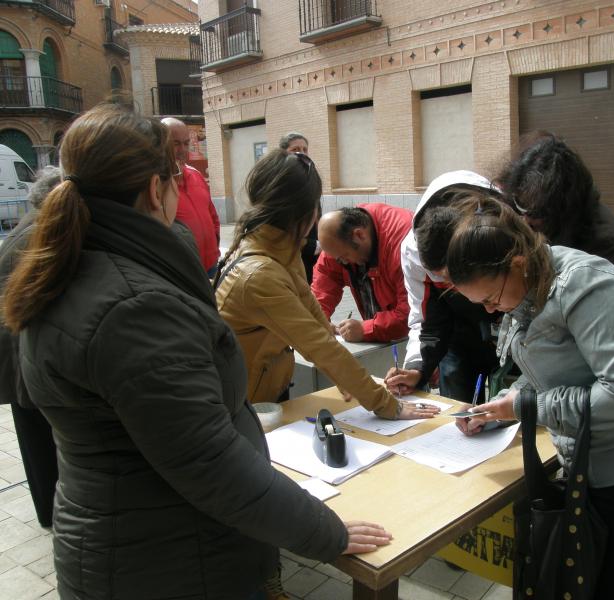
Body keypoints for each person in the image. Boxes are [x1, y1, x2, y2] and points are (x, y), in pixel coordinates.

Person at [1, 104, 392, 600]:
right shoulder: (134, 307)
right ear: (155, 190)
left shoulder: (77, 265)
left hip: (133, 542)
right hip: (167, 561)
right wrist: (326, 533)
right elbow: (210, 463)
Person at [449, 195, 614, 600]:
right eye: (483, 305)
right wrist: (505, 405)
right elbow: (554, 375)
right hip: (599, 466)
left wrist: (528, 407)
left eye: (491, 299)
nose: (493, 311)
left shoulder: (590, 286)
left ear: (517, 262)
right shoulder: (529, 289)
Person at [214, 148, 438, 421]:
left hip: (261, 389)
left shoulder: (280, 249)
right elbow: (320, 346)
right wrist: (388, 405)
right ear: (309, 212)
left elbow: (311, 308)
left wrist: (344, 376)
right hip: (239, 404)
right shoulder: (260, 275)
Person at [385, 171, 502, 403]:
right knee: (456, 413)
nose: (455, 287)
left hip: (518, 335)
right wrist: (417, 367)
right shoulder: (412, 250)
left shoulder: (503, 227)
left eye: (458, 278)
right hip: (458, 337)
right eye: (444, 280)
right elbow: (424, 319)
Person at [0, 166, 62, 528]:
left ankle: (48, 509)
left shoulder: (32, 224)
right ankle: (50, 512)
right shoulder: (40, 233)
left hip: (16, 345)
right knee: (40, 435)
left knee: (34, 432)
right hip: (16, 346)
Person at [496, 132, 614, 276]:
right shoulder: (556, 224)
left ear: (562, 208)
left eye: (537, 213)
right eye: (519, 204)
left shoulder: (605, 247)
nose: (525, 219)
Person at [313, 204, 412, 342]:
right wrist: (318, 319)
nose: (344, 262)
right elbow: (326, 278)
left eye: (345, 257)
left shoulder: (403, 246)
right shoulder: (337, 240)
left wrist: (365, 329)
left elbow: (410, 314)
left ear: (359, 235)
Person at [162, 117, 220, 277]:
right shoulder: (157, 184)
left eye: (186, 143)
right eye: (175, 143)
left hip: (211, 265)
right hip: (184, 272)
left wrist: (215, 243)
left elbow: (212, 215)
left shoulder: (196, 175)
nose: (182, 149)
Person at [278, 132, 317, 284]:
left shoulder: (310, 176)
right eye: (295, 149)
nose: (301, 153)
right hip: (294, 253)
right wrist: (309, 245)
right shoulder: (279, 182)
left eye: (305, 149)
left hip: (313, 252)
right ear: (284, 153)